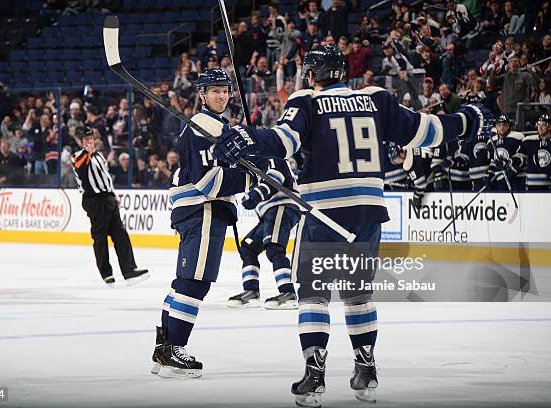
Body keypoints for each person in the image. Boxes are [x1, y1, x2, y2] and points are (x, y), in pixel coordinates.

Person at [211, 44, 491, 407]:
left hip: (325, 214)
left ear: (311, 76)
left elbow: (283, 140)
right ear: (342, 73)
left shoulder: (306, 103)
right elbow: (427, 131)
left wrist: (247, 138)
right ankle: (366, 369)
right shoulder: (377, 99)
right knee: (358, 294)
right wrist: (469, 119)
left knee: (314, 295)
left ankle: (315, 372)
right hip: (368, 213)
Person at [151, 68, 252, 379]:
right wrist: (250, 176)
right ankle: (174, 350)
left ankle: (164, 349)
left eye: (225, 90)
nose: (222, 95)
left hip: (195, 211)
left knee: (184, 280)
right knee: (196, 280)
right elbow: (208, 182)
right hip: (204, 208)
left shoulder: (218, 126)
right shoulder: (204, 126)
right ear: (202, 95)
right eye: (215, 91)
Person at [71, 126, 149, 286]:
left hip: (108, 199)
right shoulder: (78, 157)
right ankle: (106, 274)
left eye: (91, 138)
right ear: (79, 142)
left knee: (120, 234)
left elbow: (105, 177)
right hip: (94, 201)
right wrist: (89, 153)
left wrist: (113, 195)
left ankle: (129, 271)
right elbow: (82, 171)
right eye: (86, 140)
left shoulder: (98, 156)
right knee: (100, 238)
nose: (90, 141)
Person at [227, 158, 300, 310]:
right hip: (268, 212)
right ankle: (251, 292)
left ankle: (288, 293)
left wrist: (256, 195)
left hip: (282, 205)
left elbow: (275, 176)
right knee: (248, 247)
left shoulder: (271, 151)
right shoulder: (247, 162)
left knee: (274, 247)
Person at [512, 114, 551, 191]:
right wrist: (511, 166)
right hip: (531, 184)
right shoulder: (528, 141)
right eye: (538, 124)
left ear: (549, 127)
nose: (540, 127)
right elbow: (520, 157)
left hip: (548, 187)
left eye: (543, 125)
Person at [485, 114, 524, 191]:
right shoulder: (491, 141)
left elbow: (521, 157)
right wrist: (489, 175)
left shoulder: (517, 137)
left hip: (517, 178)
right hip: (500, 180)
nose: (502, 127)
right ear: (495, 126)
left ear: (509, 126)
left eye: (504, 125)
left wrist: (511, 169)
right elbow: (493, 162)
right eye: (499, 125)